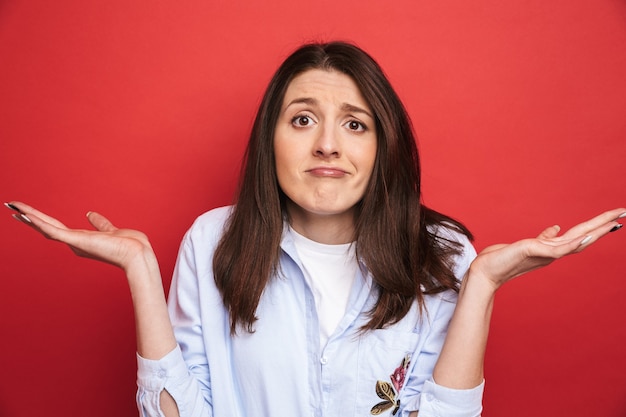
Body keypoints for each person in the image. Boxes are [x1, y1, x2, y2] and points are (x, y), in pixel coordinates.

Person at [4, 41, 624, 417]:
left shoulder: (442, 254)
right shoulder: (212, 243)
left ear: (384, 146)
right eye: (302, 119)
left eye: (355, 124)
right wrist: (141, 268)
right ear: (269, 139)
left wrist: (483, 283)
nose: (328, 144)